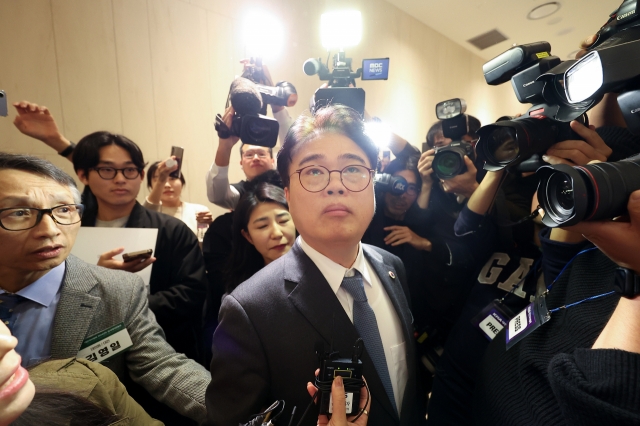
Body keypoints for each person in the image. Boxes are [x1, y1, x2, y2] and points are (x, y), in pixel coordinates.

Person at [205, 104, 426, 426]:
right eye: (314, 172)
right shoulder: (250, 310)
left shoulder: (392, 266)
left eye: (353, 169)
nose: (336, 185)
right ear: (289, 195)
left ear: (373, 184)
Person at [0, 152, 210, 422]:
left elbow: (162, 366)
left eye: (64, 209)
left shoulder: (117, 290)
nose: (50, 229)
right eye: (19, 212)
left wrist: (237, 411)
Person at [206, 62, 295, 210]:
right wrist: (224, 146)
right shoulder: (240, 194)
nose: (255, 158)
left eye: (261, 153)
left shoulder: (288, 184)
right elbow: (217, 195)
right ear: (241, 163)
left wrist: (275, 99)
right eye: (249, 155)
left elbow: (293, 147)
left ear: (273, 161)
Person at [224, 182, 295, 294]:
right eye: (262, 226)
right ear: (248, 236)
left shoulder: (319, 271)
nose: (277, 233)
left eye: (283, 221)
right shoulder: (241, 297)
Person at [145, 158, 212, 240]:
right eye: (159, 179)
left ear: (182, 182)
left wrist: (211, 225)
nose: (167, 185)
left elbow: (205, 242)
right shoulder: (148, 212)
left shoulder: (198, 210)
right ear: (150, 186)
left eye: (172, 179)